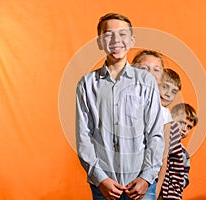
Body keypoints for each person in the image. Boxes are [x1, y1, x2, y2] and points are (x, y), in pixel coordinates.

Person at [76, 13, 164, 200]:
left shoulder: (146, 81)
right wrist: (100, 179)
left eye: (122, 34)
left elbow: (155, 134)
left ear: (131, 40)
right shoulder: (87, 84)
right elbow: (84, 137)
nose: (116, 40)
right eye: (108, 34)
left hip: (141, 186)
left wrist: (146, 178)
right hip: (103, 187)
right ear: (99, 42)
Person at [131, 51, 182, 198]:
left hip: (147, 184)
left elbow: (162, 159)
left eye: (156, 69)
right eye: (144, 68)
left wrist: (155, 190)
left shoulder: (164, 115)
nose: (150, 74)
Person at [159, 103, 198, 200]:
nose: (184, 129)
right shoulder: (158, 141)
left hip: (169, 194)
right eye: (182, 123)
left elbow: (185, 176)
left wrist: (178, 183)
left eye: (189, 127)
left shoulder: (184, 154)